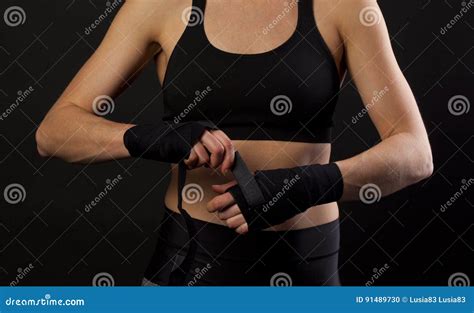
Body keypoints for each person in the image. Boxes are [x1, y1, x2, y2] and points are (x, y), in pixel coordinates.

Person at [36, 0, 433, 286]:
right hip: (190, 264)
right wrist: (153, 138)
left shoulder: (346, 6)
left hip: (305, 269)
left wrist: (305, 186)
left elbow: (415, 153)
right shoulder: (160, 6)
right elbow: (53, 133)